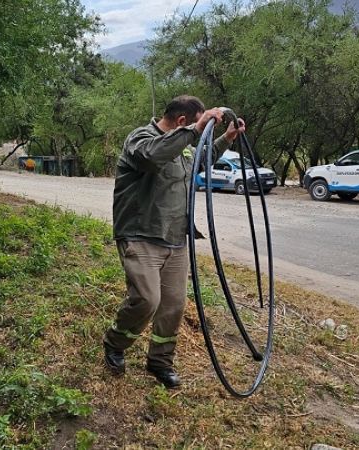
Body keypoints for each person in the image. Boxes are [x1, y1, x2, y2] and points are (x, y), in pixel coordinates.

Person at [103, 95, 246, 388]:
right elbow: (154, 156)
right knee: (146, 300)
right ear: (182, 122)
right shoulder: (141, 139)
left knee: (173, 305)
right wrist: (194, 131)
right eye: (193, 127)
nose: (194, 134)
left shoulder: (183, 147)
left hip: (176, 238)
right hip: (141, 235)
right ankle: (115, 343)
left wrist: (226, 139)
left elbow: (199, 160)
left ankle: (160, 362)